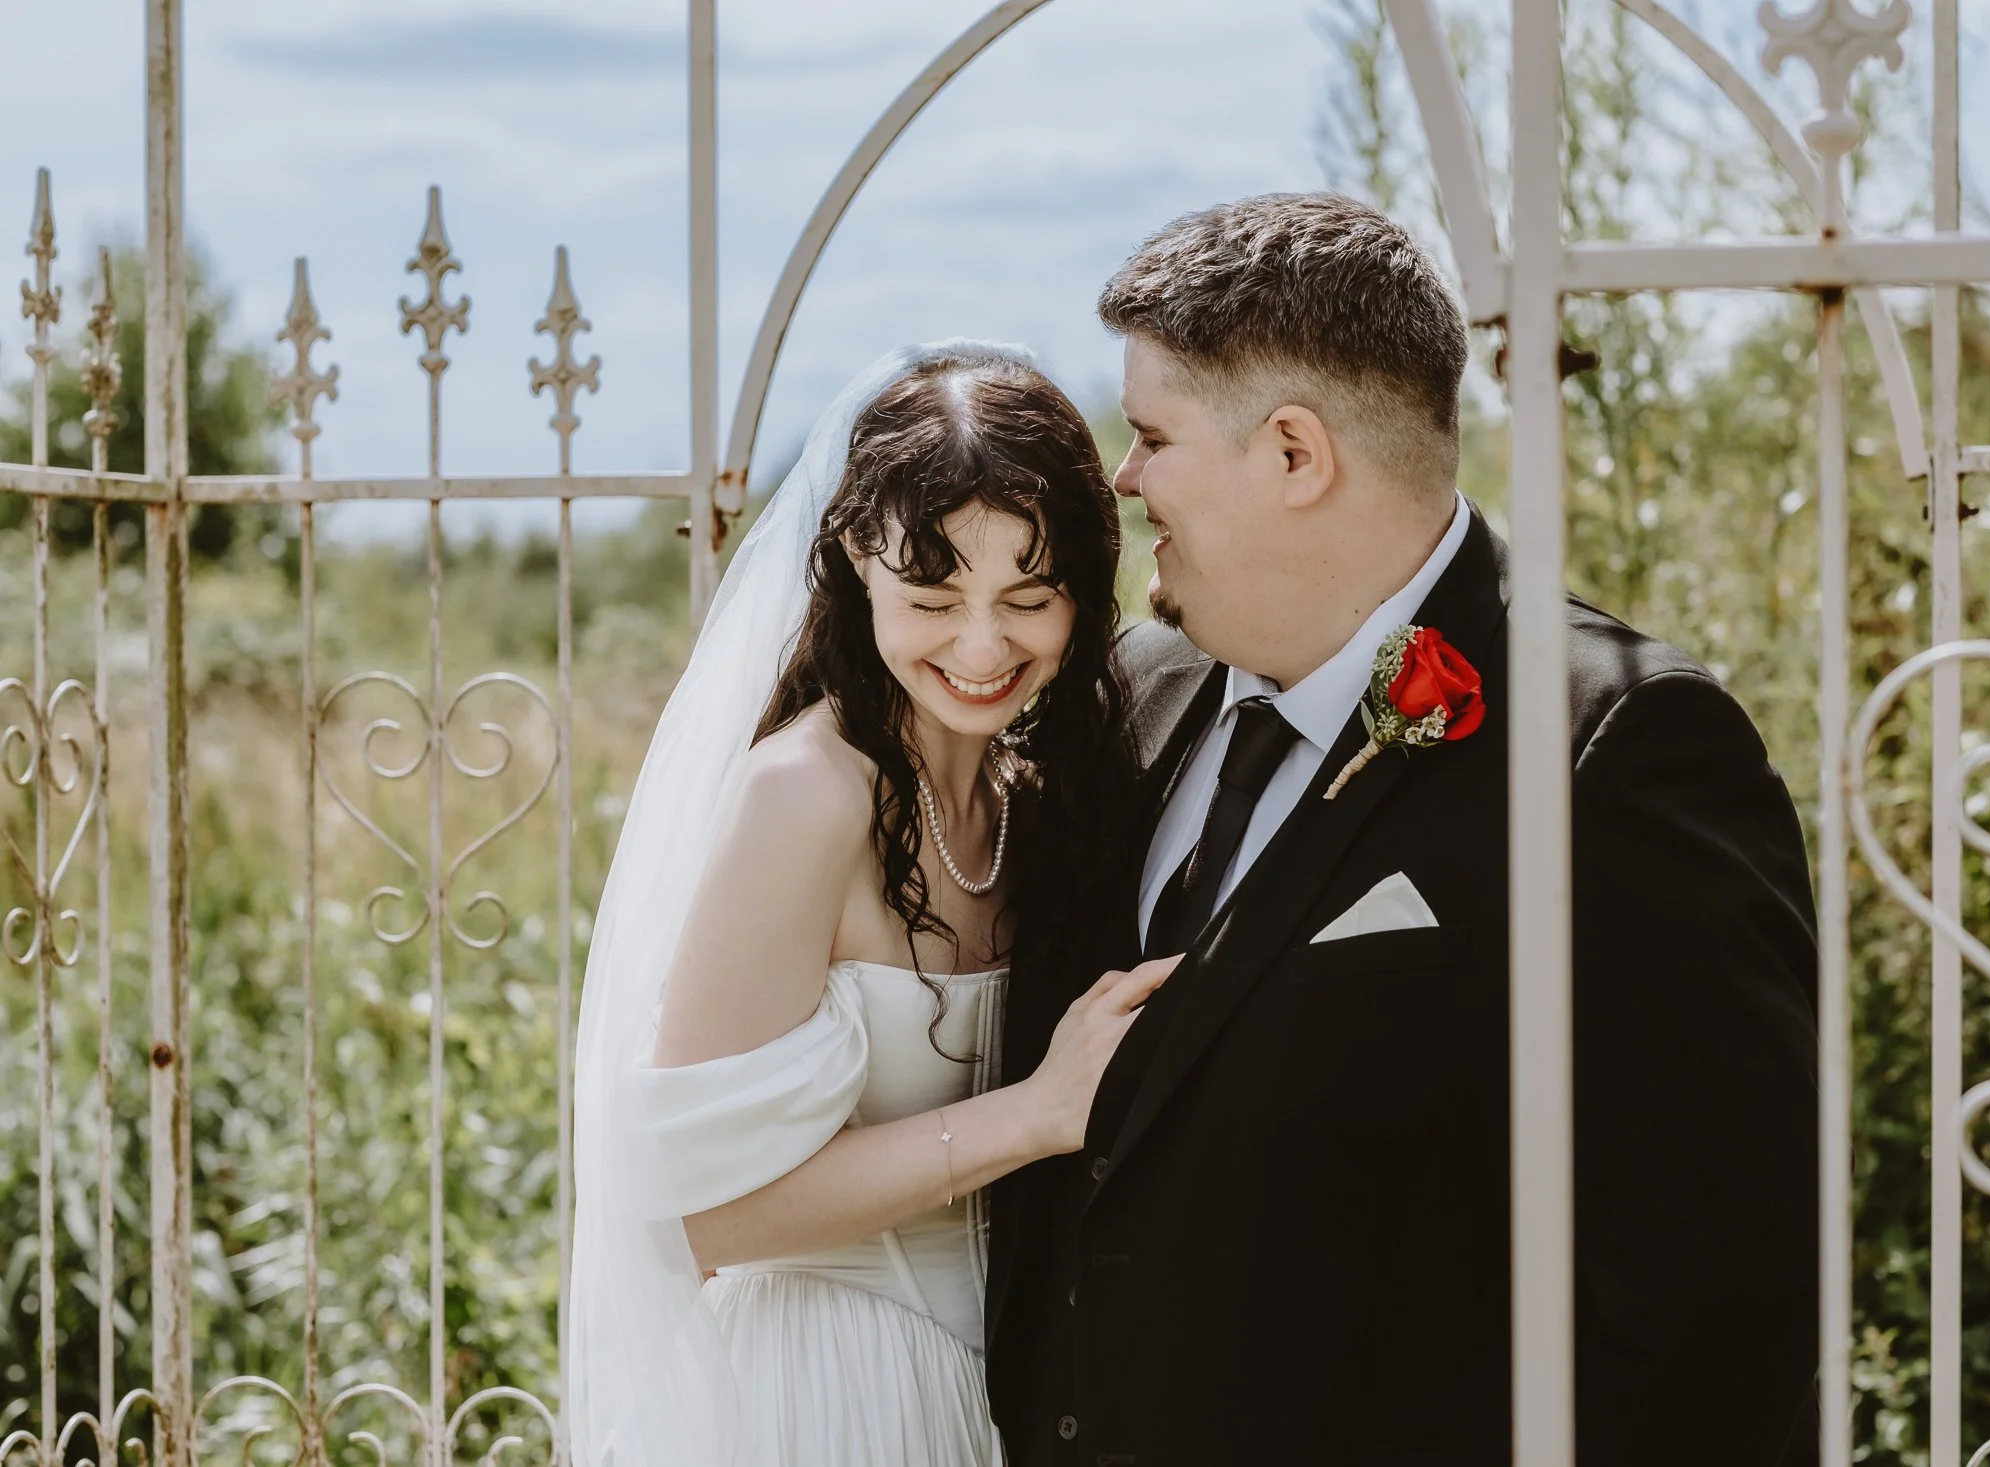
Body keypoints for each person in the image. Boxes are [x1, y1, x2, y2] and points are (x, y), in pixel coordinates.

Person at [985, 194, 1821, 1465]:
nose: (1123, 475)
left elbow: (1717, 1310)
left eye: (1152, 434)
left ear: (1292, 454)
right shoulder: (1129, 693)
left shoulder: (1614, 749)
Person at [567, 341, 1175, 1467]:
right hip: (824, 1394)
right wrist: (1034, 1114)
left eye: (1028, 599)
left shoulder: (1027, 792)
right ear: (857, 560)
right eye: (933, 597)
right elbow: (691, 1218)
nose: (983, 647)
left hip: (995, 1389)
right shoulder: (804, 796)